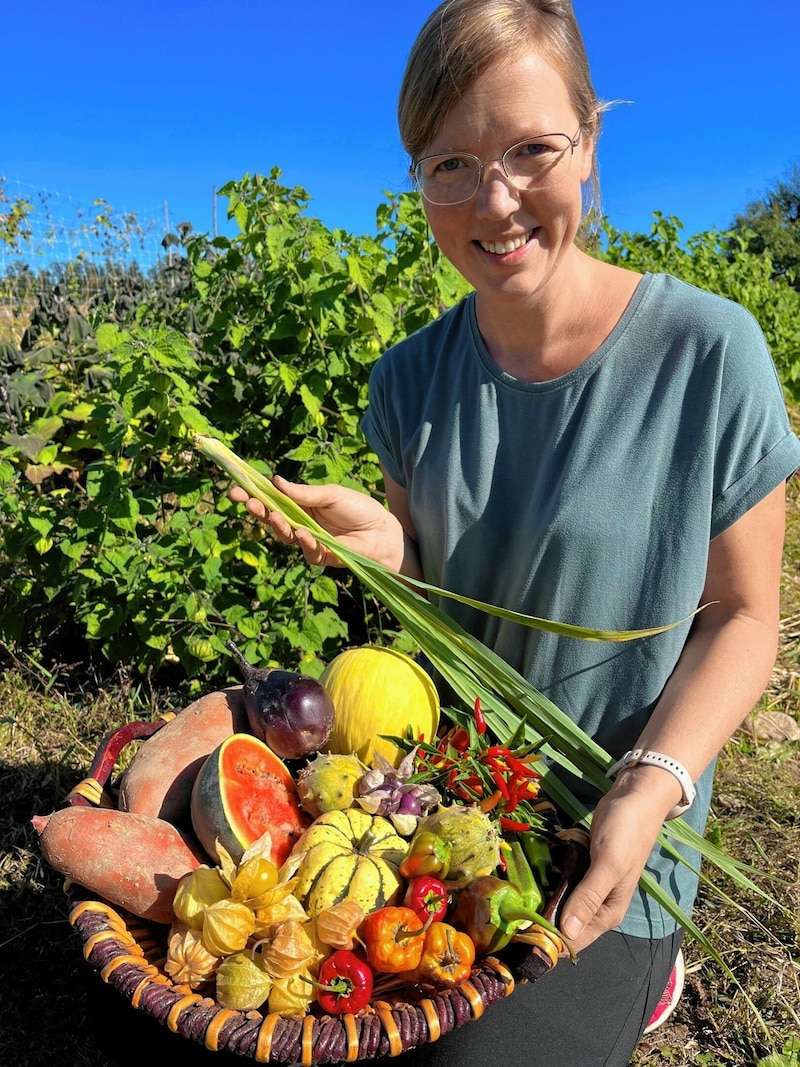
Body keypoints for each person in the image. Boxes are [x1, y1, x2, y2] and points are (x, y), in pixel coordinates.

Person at [230, 1, 800, 1062]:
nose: (493, 200)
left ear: (588, 139)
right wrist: (387, 549)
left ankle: (647, 963)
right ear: (419, 178)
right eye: (449, 164)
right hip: (439, 800)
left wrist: (650, 785)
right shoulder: (409, 377)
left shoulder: (708, 355)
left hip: (605, 824)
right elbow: (443, 581)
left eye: (530, 149)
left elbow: (743, 615)